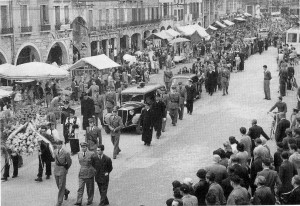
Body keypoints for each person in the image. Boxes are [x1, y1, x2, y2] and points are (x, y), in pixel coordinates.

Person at [53, 140, 72, 206]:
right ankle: (65, 192)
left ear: (62, 144)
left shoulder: (66, 153)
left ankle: (59, 201)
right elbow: (54, 159)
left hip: (62, 170)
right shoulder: (55, 151)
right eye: (57, 144)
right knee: (58, 185)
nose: (58, 145)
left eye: (60, 144)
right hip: (56, 170)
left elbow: (69, 162)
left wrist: (66, 169)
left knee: (61, 186)